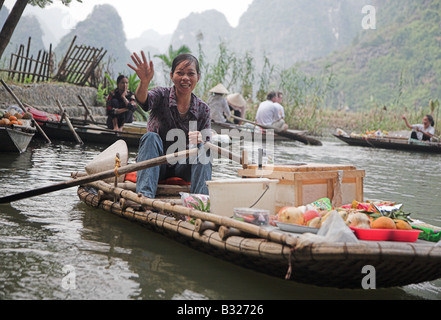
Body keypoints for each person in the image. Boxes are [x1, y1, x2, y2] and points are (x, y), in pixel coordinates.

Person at [128, 51, 212, 199]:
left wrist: (201, 139)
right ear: (172, 75)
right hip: (155, 164)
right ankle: (145, 198)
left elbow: (206, 144)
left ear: (198, 77)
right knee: (151, 137)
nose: (185, 78)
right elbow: (144, 101)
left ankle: (199, 202)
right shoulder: (161, 95)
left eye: (190, 74)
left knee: (204, 148)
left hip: (182, 167)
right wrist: (144, 82)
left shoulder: (203, 109)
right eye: (180, 73)